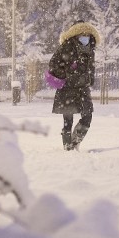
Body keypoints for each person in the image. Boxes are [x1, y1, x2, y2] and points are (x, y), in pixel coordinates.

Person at [48, 21, 100, 151]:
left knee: (87, 116)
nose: (85, 36)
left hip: (83, 88)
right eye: (82, 34)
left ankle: (75, 141)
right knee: (68, 119)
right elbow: (53, 65)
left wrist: (90, 79)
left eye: (87, 34)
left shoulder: (90, 49)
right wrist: (67, 75)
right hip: (68, 88)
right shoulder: (66, 47)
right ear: (76, 34)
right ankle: (68, 147)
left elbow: (91, 67)